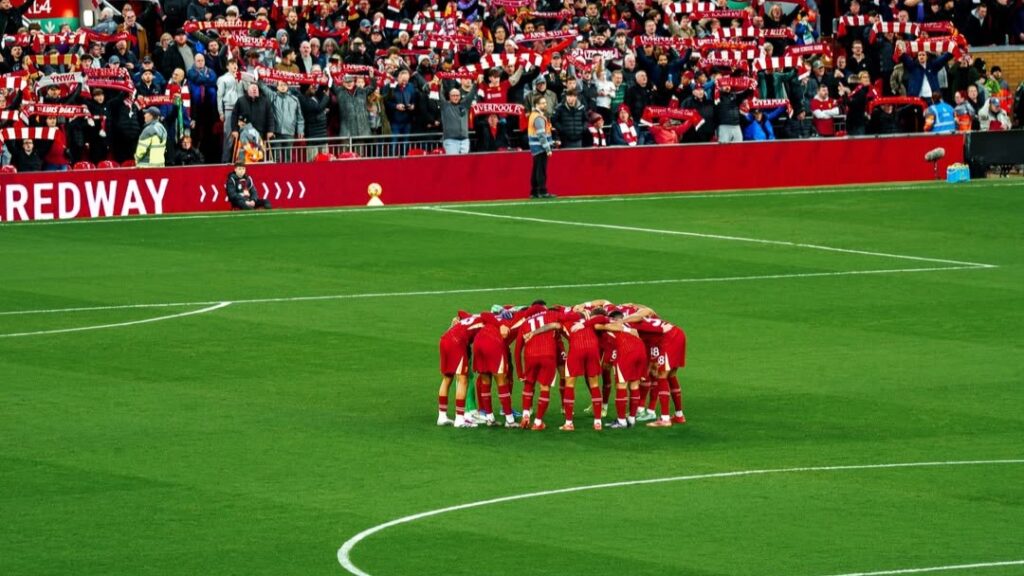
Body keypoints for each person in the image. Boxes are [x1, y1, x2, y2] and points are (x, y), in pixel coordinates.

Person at [527, 95, 556, 199]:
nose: (545, 105)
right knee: (541, 170)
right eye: (543, 103)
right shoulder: (538, 117)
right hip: (540, 147)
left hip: (535, 146)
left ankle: (534, 191)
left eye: (545, 103)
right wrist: (548, 148)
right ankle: (542, 191)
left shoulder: (534, 115)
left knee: (536, 169)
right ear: (537, 105)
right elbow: (541, 135)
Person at [440, 87, 470, 155]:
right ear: (449, 96)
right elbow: (440, 95)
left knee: (464, 164)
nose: (455, 97)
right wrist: (439, 85)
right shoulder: (445, 106)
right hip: (450, 141)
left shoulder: (464, 105)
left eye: (457, 95)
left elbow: (470, 95)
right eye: (453, 95)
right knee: (453, 164)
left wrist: (475, 84)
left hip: (464, 141)